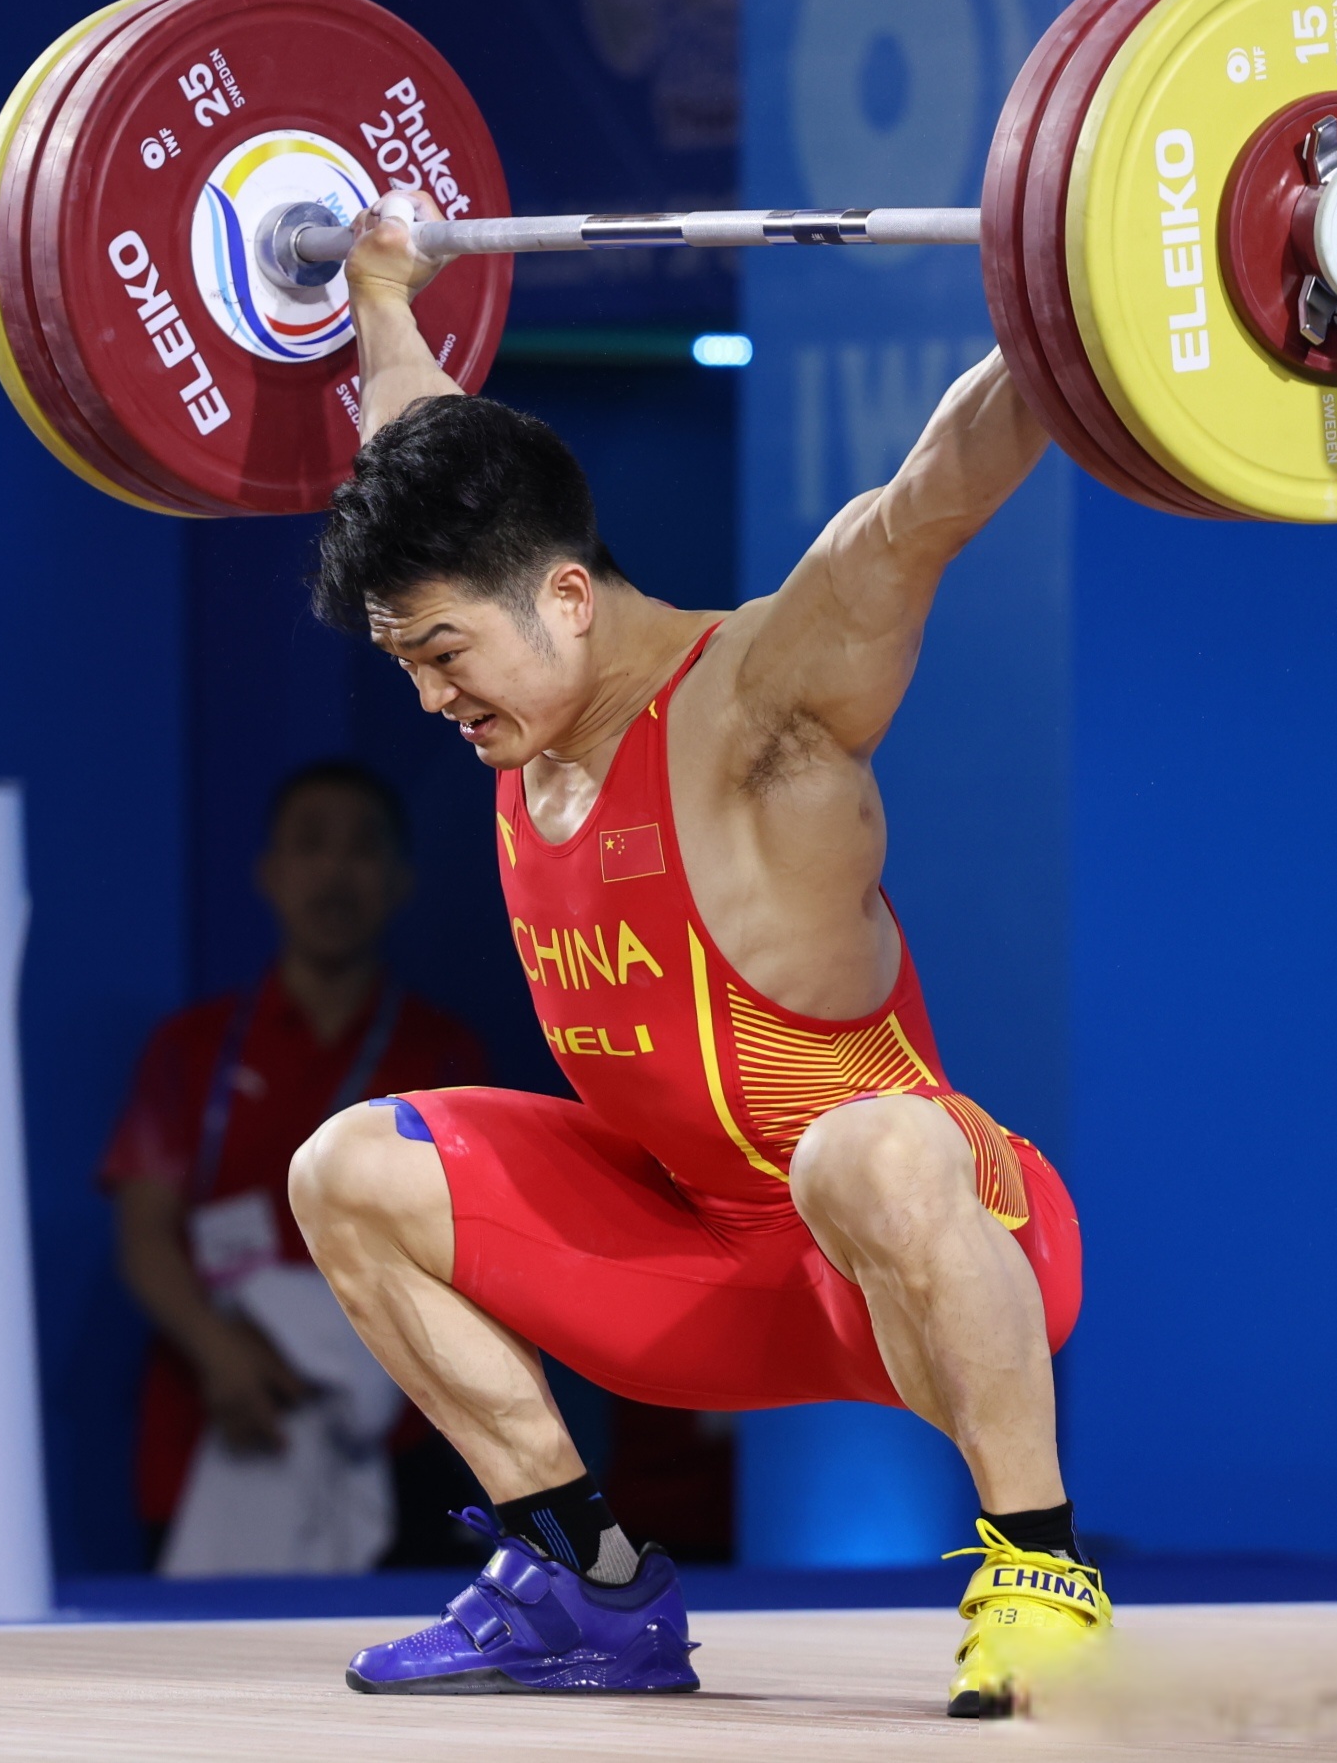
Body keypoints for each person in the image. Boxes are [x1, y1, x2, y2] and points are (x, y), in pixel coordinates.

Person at [285, 195, 1095, 1716]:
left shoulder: (764, 706)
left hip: (926, 1255)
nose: (431, 699)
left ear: (570, 598)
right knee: (346, 1167)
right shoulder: (525, 639)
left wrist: (1073, 306)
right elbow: (425, 438)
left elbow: (928, 499)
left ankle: (1040, 1566)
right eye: (408, 664)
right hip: (690, 1262)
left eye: (443, 655)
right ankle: (583, 1588)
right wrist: (379, 293)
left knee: (863, 1149)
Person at [100, 760, 488, 1573]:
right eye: (310, 845)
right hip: (215, 1417)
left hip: (394, 1434)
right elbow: (145, 1235)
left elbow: (476, 1252)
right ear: (269, 874)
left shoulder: (446, 1056)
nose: (334, 872)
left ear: (400, 881)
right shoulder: (190, 1050)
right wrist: (224, 1354)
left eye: (362, 849)